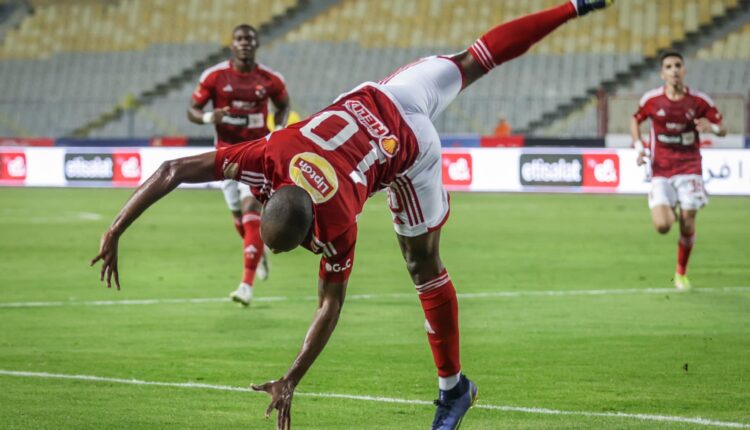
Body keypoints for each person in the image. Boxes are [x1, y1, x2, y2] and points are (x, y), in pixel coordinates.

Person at [93, 1, 613, 428]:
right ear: (274, 191)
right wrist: (115, 229)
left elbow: (330, 305)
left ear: (310, 233)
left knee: (423, 265)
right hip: (389, 93)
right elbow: (173, 169)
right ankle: (575, 4)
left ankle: (454, 389)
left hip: (411, 149)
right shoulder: (272, 151)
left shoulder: (337, 221)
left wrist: (291, 379)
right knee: (475, 58)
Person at [187, 24, 291, 306]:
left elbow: (283, 104)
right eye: (240, 39)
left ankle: (246, 285)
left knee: (251, 210)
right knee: (240, 218)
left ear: (256, 45)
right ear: (232, 45)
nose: (244, 43)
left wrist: (278, 128)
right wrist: (209, 118)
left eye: (249, 39)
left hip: (257, 154)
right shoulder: (215, 76)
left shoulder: (270, 79)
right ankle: (259, 251)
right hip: (225, 157)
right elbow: (192, 110)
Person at [631, 50, 726, 291]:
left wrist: (712, 128)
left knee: (687, 222)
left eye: (677, 65)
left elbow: (722, 128)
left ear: (684, 70)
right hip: (661, 168)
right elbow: (635, 120)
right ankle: (671, 206)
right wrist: (639, 147)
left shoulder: (699, 101)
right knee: (662, 226)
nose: (674, 70)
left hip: (689, 166)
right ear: (662, 74)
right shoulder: (652, 100)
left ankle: (681, 273)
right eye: (668, 67)